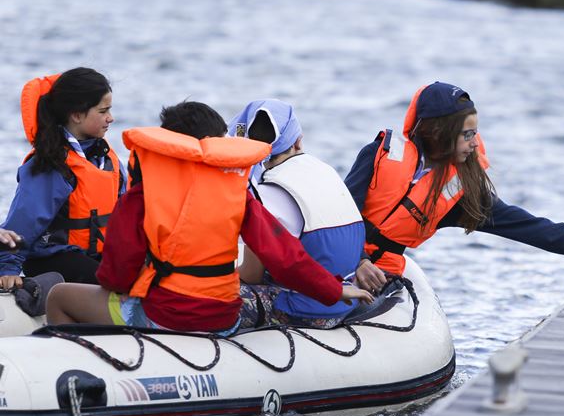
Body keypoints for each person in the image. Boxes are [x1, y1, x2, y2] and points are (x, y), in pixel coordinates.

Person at [46, 101, 372, 334]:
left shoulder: (140, 197)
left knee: (59, 296)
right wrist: (334, 290)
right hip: (224, 318)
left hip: (165, 316)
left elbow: (115, 277)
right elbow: (287, 257)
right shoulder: (238, 193)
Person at [344, 82, 564, 290]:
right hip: (342, 257)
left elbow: (520, 223)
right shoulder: (378, 154)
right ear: (438, 132)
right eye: (467, 134)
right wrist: (359, 261)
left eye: (476, 133)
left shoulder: (459, 193)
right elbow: (338, 213)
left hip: (381, 276)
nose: (475, 143)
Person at [230, 99, 370, 329]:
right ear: (298, 140)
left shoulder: (266, 192)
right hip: (346, 301)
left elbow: (251, 275)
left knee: (212, 294)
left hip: (305, 310)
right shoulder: (325, 170)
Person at [0, 68, 125, 290]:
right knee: (111, 282)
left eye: (110, 110)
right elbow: (23, 222)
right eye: (103, 111)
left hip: (94, 254)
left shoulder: (105, 159)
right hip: (51, 259)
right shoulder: (51, 165)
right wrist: (8, 268)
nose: (111, 118)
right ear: (76, 115)